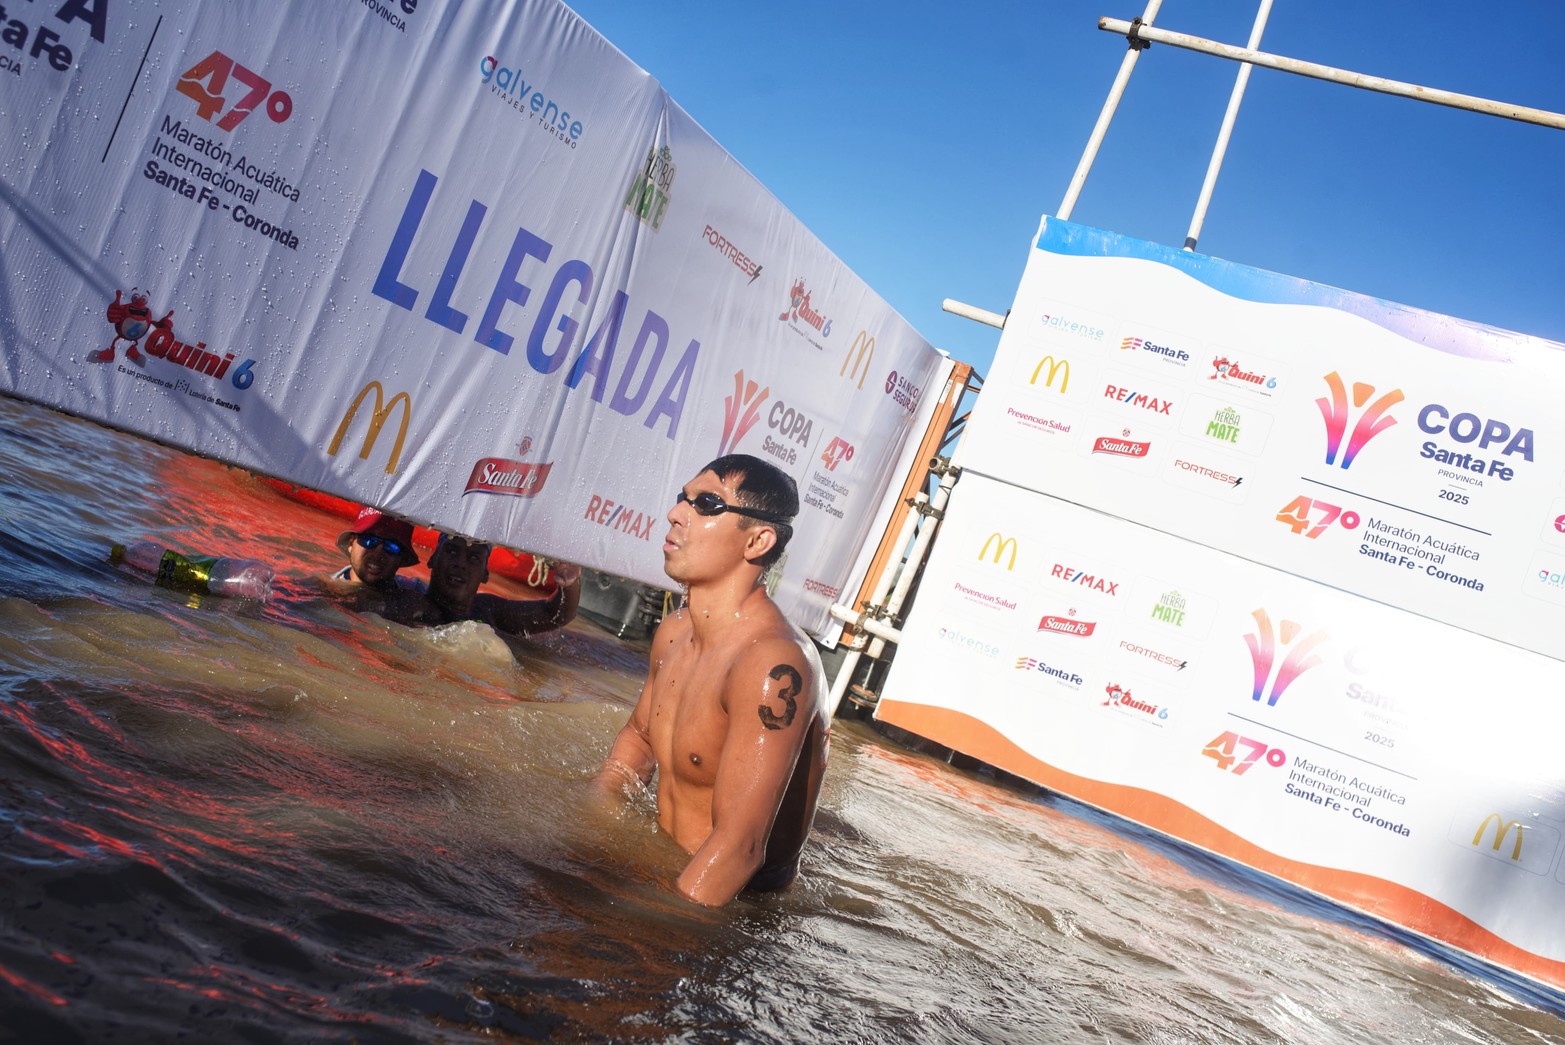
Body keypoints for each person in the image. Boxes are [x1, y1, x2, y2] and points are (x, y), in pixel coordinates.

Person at [593, 454, 829, 907]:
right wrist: (589, 827)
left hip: (734, 909)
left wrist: (655, 923)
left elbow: (741, 848)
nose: (675, 513)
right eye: (682, 498)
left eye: (706, 504)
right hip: (670, 869)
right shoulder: (674, 633)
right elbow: (638, 740)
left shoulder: (772, 664)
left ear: (757, 540)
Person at [380, 532, 581, 635]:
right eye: (451, 551)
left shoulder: (488, 610)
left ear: (485, 574)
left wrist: (570, 584)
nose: (460, 564)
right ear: (432, 559)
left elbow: (554, 614)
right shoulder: (405, 600)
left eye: (474, 558)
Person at [325, 507, 423, 592]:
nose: (377, 554)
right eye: (369, 540)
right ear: (351, 544)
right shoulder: (325, 590)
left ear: (402, 558)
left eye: (391, 546)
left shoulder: (417, 591)